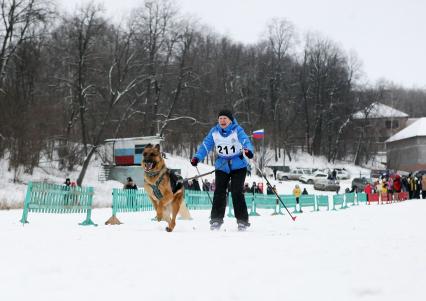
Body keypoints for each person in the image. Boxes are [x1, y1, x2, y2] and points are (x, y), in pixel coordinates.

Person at [190, 109, 254, 231]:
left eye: (225, 118)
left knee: (236, 192)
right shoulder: (214, 132)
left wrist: (248, 150)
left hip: (238, 166)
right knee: (219, 191)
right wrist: (197, 158)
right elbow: (205, 145)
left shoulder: (237, 130)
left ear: (230, 120)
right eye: (220, 119)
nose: (222, 121)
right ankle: (216, 220)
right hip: (222, 165)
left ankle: (242, 221)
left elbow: (246, 141)